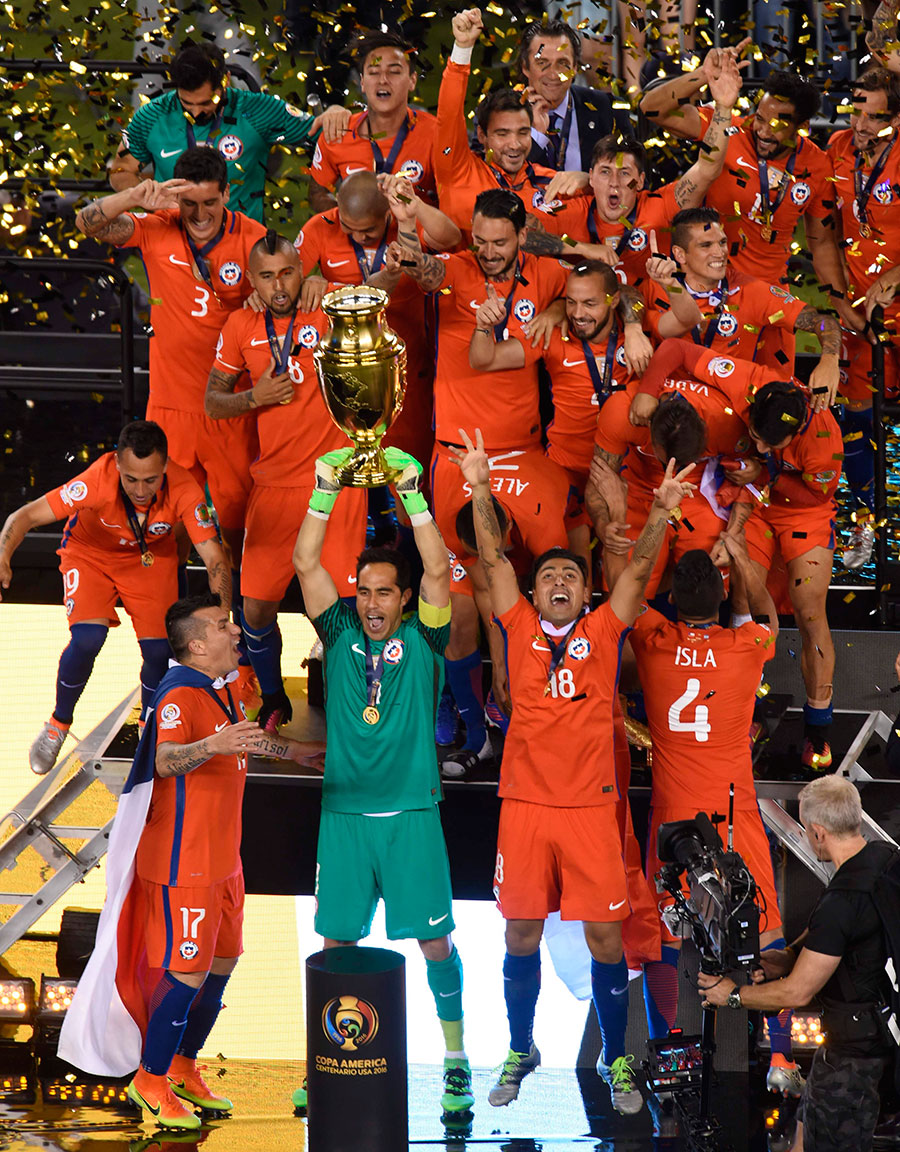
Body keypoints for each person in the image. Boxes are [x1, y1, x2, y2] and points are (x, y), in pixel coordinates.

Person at [456, 426, 694, 1115]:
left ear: (586, 593)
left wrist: (661, 514)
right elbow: (493, 557)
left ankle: (619, 1061)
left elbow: (641, 571)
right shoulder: (518, 625)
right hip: (526, 807)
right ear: (533, 593)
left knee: (605, 937)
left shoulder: (602, 630)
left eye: (571, 576)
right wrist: (477, 486)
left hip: (591, 812)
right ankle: (522, 1047)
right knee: (520, 933)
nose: (559, 580)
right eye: (548, 576)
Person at [58, 591, 324, 1128]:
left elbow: (239, 740)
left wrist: (291, 752)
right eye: (223, 625)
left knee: (220, 964)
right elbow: (165, 759)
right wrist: (214, 745)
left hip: (223, 861)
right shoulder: (180, 691)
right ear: (198, 644)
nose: (233, 631)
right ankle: (150, 1080)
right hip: (186, 864)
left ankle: (181, 1067)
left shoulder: (220, 687)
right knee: (188, 969)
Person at [292, 447, 475, 1118]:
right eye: (364, 590)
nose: (371, 602)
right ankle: (321, 1067)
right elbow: (305, 563)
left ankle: (456, 1063)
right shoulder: (337, 631)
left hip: (410, 816)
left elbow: (435, 566)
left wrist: (413, 495)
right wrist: (322, 490)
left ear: (403, 600)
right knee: (335, 945)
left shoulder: (426, 637)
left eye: (382, 593)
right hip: (343, 816)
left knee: (435, 942)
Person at [390, 187, 572, 773]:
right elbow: (423, 267)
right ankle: (474, 731)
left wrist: (556, 311)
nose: (490, 253)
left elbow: (603, 282)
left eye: (501, 242)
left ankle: (539, 721)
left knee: (537, 600)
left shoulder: (547, 273)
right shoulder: (457, 271)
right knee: (460, 611)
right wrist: (410, 232)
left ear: (521, 236)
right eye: (482, 240)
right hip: (452, 463)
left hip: (522, 460)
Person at [627, 542, 803, 1095]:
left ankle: (669, 1053)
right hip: (732, 815)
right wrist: (743, 562)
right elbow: (769, 619)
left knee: (669, 935)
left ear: (673, 598)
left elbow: (625, 582)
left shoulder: (653, 640)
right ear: (723, 593)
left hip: (674, 818)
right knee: (767, 933)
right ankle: (779, 1060)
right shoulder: (744, 645)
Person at [633, 339, 843, 770]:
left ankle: (818, 728)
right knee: (743, 593)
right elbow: (677, 348)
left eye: (771, 444)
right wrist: (648, 391)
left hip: (804, 508)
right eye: (755, 438)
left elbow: (812, 492)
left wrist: (765, 471)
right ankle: (742, 711)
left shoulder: (824, 439)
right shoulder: (749, 380)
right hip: (758, 504)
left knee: (809, 612)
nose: (760, 446)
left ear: (796, 433)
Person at [0, 421, 229, 774]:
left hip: (148, 561)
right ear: (118, 466)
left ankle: (149, 729)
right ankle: (58, 725)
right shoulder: (96, 479)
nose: (140, 490)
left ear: (165, 467)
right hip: (90, 555)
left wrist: (222, 619)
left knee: (158, 651)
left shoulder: (185, 487)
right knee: (88, 638)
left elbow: (215, 559)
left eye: (151, 480)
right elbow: (26, 515)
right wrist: (2, 554)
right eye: (131, 479)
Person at [206, 231, 367, 731]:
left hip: (333, 481)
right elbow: (213, 400)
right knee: (254, 608)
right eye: (268, 275)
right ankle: (274, 697)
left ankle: (352, 703)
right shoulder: (239, 324)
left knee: (339, 610)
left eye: (290, 271)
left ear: (303, 268)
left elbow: (380, 288)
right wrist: (254, 398)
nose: (280, 285)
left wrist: (328, 281)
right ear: (251, 280)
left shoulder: (328, 308)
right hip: (273, 486)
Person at [76, 147, 265, 570]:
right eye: (190, 203)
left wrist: (268, 296)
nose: (199, 214)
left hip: (230, 407)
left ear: (228, 194)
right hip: (170, 407)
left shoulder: (253, 237)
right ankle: (173, 621)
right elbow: (87, 223)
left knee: (234, 523)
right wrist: (133, 197)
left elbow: (285, 290)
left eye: (210, 203)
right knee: (167, 523)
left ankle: (228, 618)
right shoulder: (156, 225)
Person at [698, 775, 896, 1152]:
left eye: (807, 830)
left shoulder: (843, 899)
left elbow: (797, 991)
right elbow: (833, 936)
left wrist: (733, 995)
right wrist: (787, 957)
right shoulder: (881, 857)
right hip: (859, 1040)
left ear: (819, 832)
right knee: (801, 1143)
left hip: (853, 1058)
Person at [640, 64, 862, 364]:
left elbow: (820, 243)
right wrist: (705, 74)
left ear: (803, 127)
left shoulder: (817, 166)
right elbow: (652, 109)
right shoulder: (726, 130)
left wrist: (840, 302)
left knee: (776, 397)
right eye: (760, 118)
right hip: (713, 291)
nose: (764, 131)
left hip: (770, 299)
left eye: (778, 124)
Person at [470, 259, 637, 569]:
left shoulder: (637, 336)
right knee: (570, 565)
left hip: (624, 468)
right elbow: (484, 359)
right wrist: (482, 328)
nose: (577, 313)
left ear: (612, 302)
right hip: (566, 469)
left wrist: (637, 327)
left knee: (624, 555)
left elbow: (668, 311)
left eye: (589, 303)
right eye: (571, 302)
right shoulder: (553, 336)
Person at [532, 49, 739, 289]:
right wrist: (583, 248)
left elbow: (707, 168)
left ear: (641, 181)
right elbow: (522, 236)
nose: (614, 182)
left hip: (650, 319)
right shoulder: (573, 211)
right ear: (591, 177)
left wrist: (723, 108)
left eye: (625, 173)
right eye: (605, 172)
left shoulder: (659, 208)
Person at [295, 169, 461, 467]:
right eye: (349, 228)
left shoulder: (402, 219)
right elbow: (285, 280)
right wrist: (311, 282)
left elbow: (452, 238)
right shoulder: (320, 227)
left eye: (368, 232)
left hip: (407, 364)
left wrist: (415, 205)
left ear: (386, 214)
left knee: (407, 463)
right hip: (347, 372)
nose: (358, 237)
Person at [110, 38, 349, 222]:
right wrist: (145, 195)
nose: (195, 113)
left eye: (205, 103)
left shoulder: (258, 110)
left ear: (224, 80)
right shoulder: (151, 115)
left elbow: (324, 134)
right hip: (172, 245)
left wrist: (335, 112)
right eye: (187, 103)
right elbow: (121, 170)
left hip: (243, 246)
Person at [642, 206, 841, 406]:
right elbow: (627, 301)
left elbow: (822, 320)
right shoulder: (659, 287)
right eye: (706, 245)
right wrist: (633, 328)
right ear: (680, 254)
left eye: (722, 242)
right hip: (674, 408)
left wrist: (829, 360)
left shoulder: (751, 291)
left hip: (730, 411)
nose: (719, 253)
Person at [434, 8, 590, 245]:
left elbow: (617, 197)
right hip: (464, 279)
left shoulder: (550, 183)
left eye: (523, 132)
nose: (514, 144)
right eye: (502, 134)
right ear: (482, 135)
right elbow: (449, 113)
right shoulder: (458, 171)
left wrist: (589, 181)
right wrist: (462, 49)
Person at [828, 66, 900, 570]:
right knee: (855, 422)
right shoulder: (836, 150)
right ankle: (867, 525)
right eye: (857, 110)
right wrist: (838, 299)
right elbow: (824, 235)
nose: (863, 124)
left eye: (876, 116)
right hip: (862, 318)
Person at [307, 30, 438, 214]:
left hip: (417, 241)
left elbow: (452, 201)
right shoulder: (338, 132)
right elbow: (318, 193)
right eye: (374, 72)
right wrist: (353, 220)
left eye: (394, 72)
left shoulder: (435, 134)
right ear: (362, 82)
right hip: (359, 241)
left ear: (412, 81)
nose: (383, 80)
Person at [516, 19, 632, 172]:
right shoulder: (501, 114)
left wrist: (589, 181)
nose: (553, 74)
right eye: (542, 63)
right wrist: (535, 136)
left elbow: (634, 180)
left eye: (562, 63)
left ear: (575, 67)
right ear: (525, 67)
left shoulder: (609, 111)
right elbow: (497, 181)